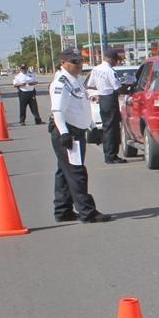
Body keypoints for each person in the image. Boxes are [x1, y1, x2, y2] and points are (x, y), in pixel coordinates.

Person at [48, 50, 111, 224]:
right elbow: (58, 111)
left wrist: (92, 127)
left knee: (64, 172)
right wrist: (65, 133)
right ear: (63, 62)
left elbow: (82, 106)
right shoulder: (61, 83)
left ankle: (63, 210)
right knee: (77, 173)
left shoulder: (75, 80)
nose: (79, 65)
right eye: (75, 62)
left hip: (77, 130)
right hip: (68, 133)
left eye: (81, 61)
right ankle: (87, 212)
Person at [88, 48, 128, 164]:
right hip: (110, 99)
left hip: (103, 99)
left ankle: (109, 154)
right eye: (116, 60)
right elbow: (118, 88)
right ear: (110, 59)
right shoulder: (110, 71)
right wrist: (129, 86)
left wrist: (100, 89)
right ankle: (111, 155)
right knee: (112, 129)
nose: (117, 62)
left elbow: (90, 85)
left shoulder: (95, 69)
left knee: (107, 128)